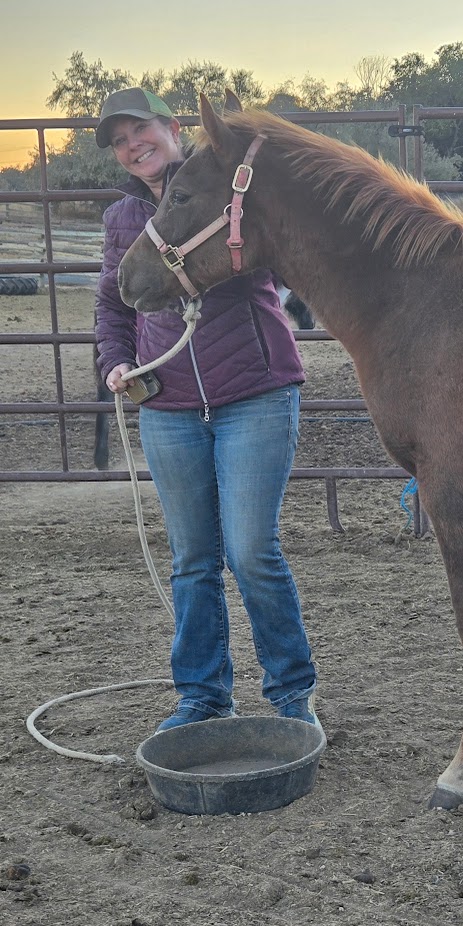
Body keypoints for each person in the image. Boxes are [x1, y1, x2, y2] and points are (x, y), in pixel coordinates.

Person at [93, 87, 320, 733]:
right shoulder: (121, 218)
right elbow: (113, 302)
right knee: (192, 560)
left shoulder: (230, 184)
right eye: (119, 142)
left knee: (250, 551)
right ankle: (203, 695)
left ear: (171, 127)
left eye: (139, 131)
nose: (132, 147)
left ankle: (292, 694)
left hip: (253, 393)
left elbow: (286, 254)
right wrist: (115, 360)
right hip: (167, 403)